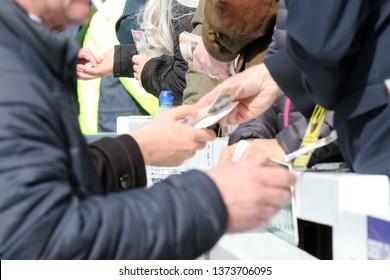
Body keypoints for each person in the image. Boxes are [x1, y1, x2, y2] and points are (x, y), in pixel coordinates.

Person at [0, 0, 295, 259]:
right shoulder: (12, 71)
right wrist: (211, 200)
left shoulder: (21, 58)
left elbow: (46, 181)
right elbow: (42, 242)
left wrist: (134, 149)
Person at [199, 0, 390, 177]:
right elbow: (285, 52)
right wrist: (250, 138)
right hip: (333, 153)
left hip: (360, 146)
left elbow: (326, 52)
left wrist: (288, 146)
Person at [78, 0, 199, 105]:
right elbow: (174, 56)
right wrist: (123, 59)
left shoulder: (185, 9)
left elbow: (188, 82)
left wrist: (148, 70)